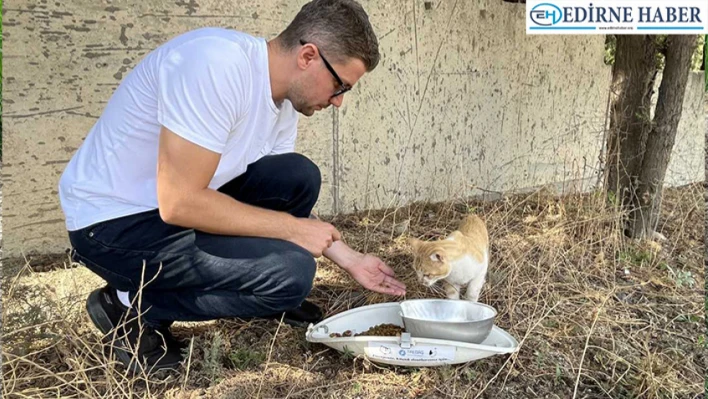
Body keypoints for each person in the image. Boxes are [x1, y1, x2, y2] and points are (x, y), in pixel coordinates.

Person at [58, 0, 406, 373]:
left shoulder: (284, 101)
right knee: (293, 274)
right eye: (340, 85)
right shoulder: (213, 66)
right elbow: (179, 203)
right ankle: (130, 307)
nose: (338, 102)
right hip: (113, 225)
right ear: (308, 56)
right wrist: (293, 231)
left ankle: (260, 291)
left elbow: (280, 207)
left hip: (166, 211)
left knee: (297, 175)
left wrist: (350, 259)